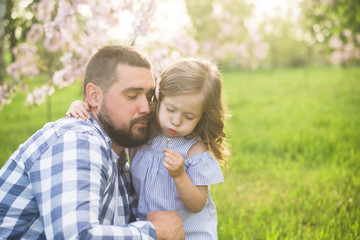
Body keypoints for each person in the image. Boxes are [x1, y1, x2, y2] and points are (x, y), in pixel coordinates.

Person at [0, 45, 184, 239]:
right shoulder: (78, 140)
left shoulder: (122, 162)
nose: (147, 108)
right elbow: (76, 236)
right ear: (94, 96)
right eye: (132, 96)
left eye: (149, 97)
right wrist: (157, 231)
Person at [67, 58, 231, 239]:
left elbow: (197, 204)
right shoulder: (144, 130)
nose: (176, 121)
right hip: (151, 227)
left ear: (202, 116)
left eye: (189, 116)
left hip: (189, 232)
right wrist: (81, 106)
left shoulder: (194, 150)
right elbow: (111, 119)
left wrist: (179, 175)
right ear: (159, 98)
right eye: (170, 109)